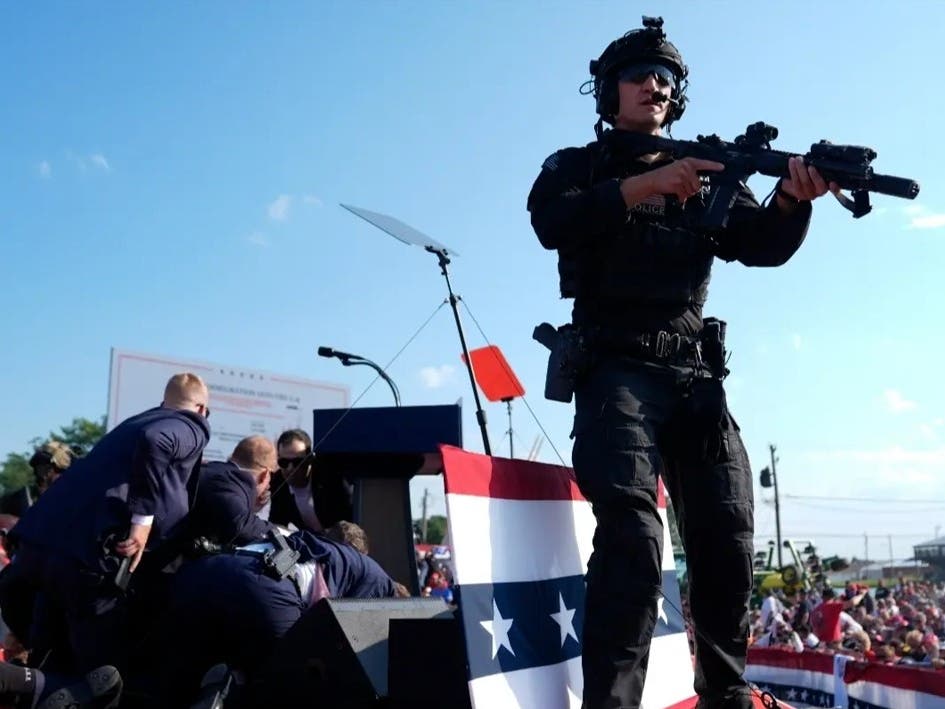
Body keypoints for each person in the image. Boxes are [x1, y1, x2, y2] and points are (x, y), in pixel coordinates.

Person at [527, 17, 836, 709]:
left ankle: (724, 692)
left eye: (665, 79)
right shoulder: (575, 166)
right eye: (638, 75)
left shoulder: (709, 168)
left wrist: (792, 199)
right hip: (615, 369)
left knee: (726, 535)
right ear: (606, 89)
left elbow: (758, 245)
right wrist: (649, 184)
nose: (653, 86)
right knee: (634, 541)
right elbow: (553, 222)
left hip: (693, 375)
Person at [0, 373, 211, 673]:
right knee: (99, 677)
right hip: (86, 565)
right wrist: (143, 520)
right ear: (201, 409)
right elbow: (159, 441)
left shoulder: (133, 424)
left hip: (39, 552)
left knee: (47, 667)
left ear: (164, 402)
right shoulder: (189, 424)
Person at [150, 522, 405, 704]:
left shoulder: (311, 545)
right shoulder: (379, 582)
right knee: (287, 678)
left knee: (185, 675)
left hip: (203, 573)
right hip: (267, 591)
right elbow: (349, 644)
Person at [184, 435, 278, 547]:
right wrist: (280, 533)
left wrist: (251, 507)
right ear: (265, 475)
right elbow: (241, 528)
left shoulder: (214, 470)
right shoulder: (227, 484)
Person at [267, 429, 353, 532]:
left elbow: (350, 519)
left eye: (297, 462)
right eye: (284, 462)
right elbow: (277, 522)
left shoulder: (332, 478)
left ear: (310, 460)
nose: (290, 468)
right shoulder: (278, 482)